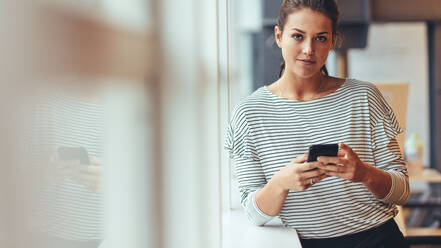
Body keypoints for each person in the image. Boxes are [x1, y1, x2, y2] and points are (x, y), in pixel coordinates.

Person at [224, 0, 410, 247]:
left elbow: (402, 191)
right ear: (279, 36)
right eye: (298, 36)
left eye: (321, 38)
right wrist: (281, 183)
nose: (309, 49)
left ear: (332, 41)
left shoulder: (365, 96)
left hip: (377, 239)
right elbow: (254, 213)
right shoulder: (248, 113)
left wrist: (364, 173)